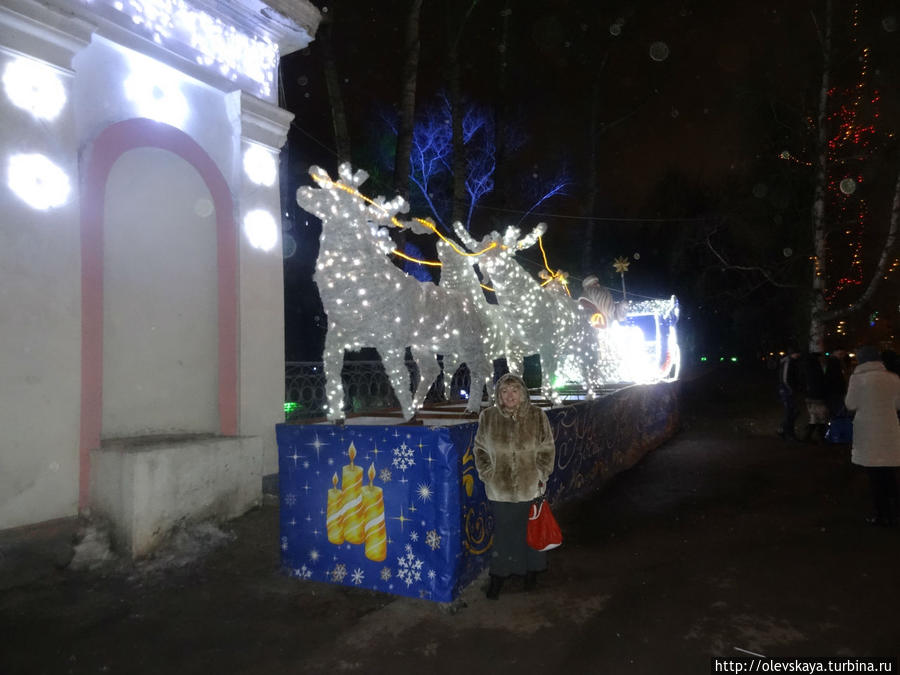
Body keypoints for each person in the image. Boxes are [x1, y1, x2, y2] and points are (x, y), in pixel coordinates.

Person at [473, 373, 556, 599]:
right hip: (499, 489)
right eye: (504, 391)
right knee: (504, 534)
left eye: (514, 391)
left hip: (531, 486)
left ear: (522, 393)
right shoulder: (488, 417)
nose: (510, 396)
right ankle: (498, 578)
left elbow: (547, 448)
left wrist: (542, 475)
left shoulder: (537, 416)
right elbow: (479, 449)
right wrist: (487, 474)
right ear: (499, 395)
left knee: (531, 531)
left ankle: (531, 574)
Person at [844, 345, 900, 527]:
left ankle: (882, 514)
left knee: (875, 475)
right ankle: (895, 512)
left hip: (868, 429)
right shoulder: (893, 378)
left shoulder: (857, 379)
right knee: (889, 473)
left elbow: (850, 404)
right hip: (889, 427)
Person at [801, 352, 829, 443]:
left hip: (810, 397)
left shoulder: (806, 369)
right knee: (821, 417)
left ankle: (808, 437)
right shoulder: (816, 369)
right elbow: (820, 383)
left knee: (814, 417)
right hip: (817, 396)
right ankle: (821, 437)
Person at [777, 346, 802, 440]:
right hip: (787, 391)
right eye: (798, 353)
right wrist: (790, 389)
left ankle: (784, 430)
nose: (799, 355)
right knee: (791, 412)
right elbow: (785, 378)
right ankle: (788, 433)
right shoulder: (788, 362)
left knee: (792, 412)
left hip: (789, 390)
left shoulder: (792, 362)